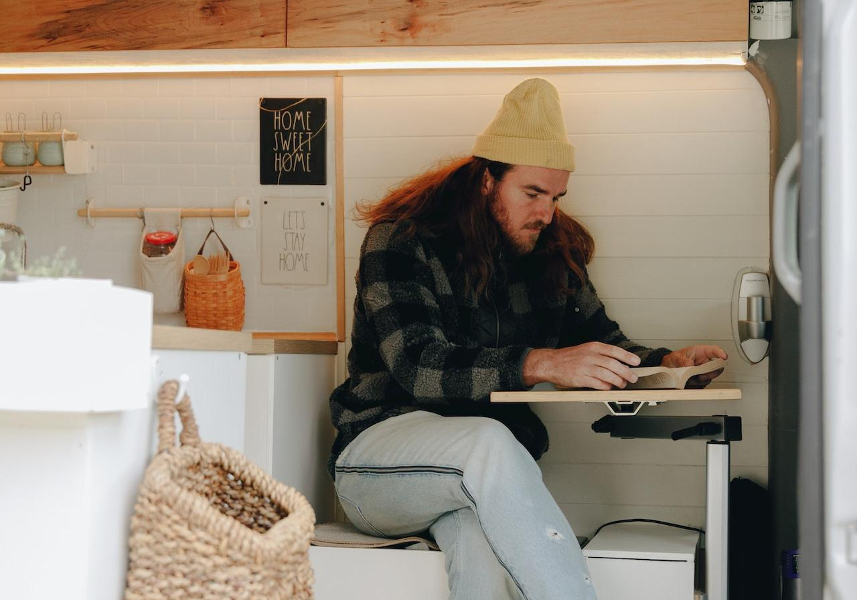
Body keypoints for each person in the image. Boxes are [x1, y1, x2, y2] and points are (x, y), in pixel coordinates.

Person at [327, 78, 727, 600]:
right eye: (532, 193)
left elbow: (598, 343)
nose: (546, 212)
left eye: (557, 196)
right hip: (377, 463)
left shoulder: (552, 249)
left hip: (476, 482)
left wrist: (667, 362)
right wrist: (542, 363)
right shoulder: (402, 240)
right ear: (486, 180)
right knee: (491, 442)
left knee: (483, 553)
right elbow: (419, 365)